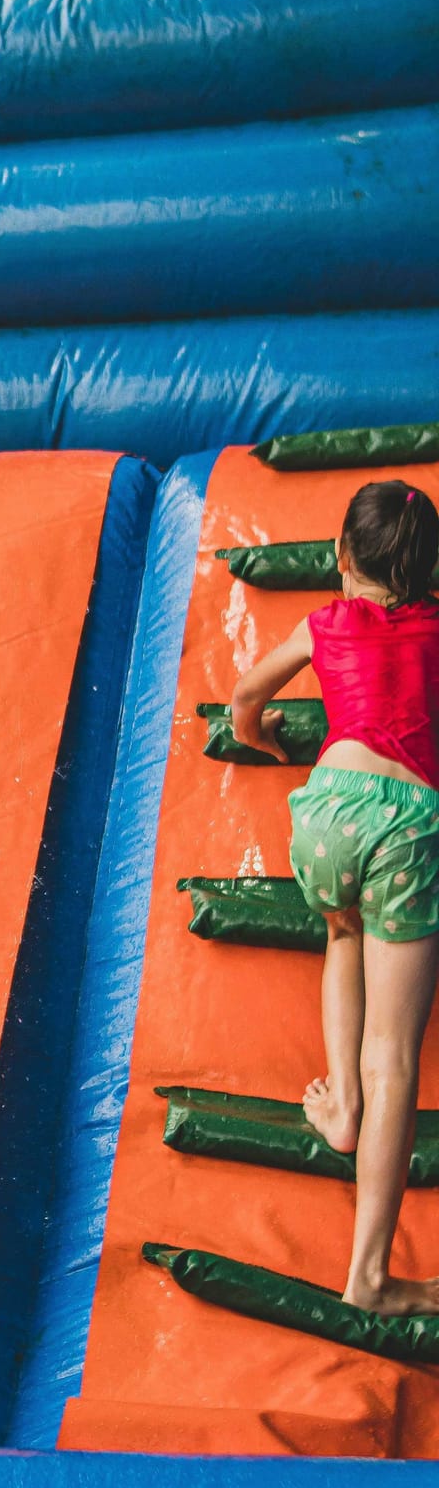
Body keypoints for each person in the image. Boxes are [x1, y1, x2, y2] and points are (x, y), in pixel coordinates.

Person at [231, 478, 439, 1316]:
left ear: (340, 560)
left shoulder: (322, 625)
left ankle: (340, 1109)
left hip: (321, 812)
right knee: (397, 1057)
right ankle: (373, 1279)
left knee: (341, 936)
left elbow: (247, 697)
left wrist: (265, 740)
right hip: (406, 822)